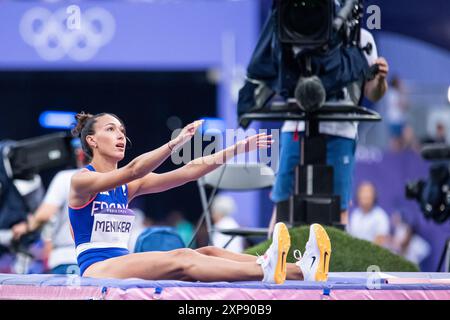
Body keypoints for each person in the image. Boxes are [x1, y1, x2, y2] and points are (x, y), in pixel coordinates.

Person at [68, 112, 332, 283]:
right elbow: (135, 169)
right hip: (97, 270)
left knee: (210, 251)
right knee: (183, 257)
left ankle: (302, 270)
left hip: (120, 263)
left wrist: (235, 150)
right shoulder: (82, 181)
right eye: (112, 130)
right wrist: (174, 144)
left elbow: (188, 172)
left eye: (123, 131)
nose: (121, 136)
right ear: (92, 140)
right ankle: (264, 269)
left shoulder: (128, 187)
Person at [269, 29, 389, 231]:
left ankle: (337, 261)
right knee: (281, 203)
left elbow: (373, 93)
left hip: (341, 130)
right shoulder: (295, 28)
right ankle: (270, 260)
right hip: (296, 127)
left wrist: (380, 79)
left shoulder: (362, 38)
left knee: (339, 208)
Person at [11, 138, 88, 274]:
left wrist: (26, 227)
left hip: (69, 258)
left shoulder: (67, 177)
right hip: (104, 261)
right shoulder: (113, 180)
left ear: (80, 154)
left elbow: (44, 214)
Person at [347, 182, 390, 247]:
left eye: (368, 192)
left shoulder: (381, 216)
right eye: (362, 192)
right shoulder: (355, 214)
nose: (365, 195)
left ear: (374, 196)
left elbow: (379, 243)